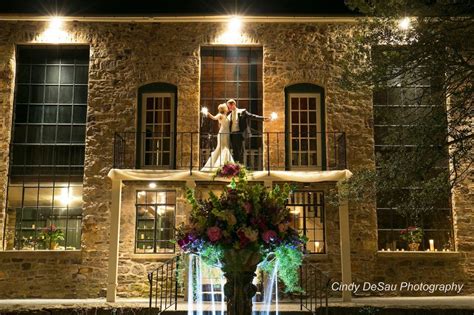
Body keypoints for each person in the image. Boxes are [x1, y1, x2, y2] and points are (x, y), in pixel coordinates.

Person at [226, 99, 269, 164]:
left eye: (229, 106)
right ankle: (235, 166)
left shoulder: (242, 111)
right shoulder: (230, 115)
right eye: (228, 106)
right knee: (235, 152)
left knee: (240, 151)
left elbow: (252, 116)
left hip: (239, 134)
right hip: (232, 135)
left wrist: (263, 119)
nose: (228, 108)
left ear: (233, 105)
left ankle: (241, 166)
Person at [201, 103, 234, 171]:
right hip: (222, 133)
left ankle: (225, 165)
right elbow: (214, 118)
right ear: (224, 109)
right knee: (223, 148)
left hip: (226, 133)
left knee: (223, 148)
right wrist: (207, 113)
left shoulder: (226, 115)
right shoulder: (220, 115)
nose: (227, 108)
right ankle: (220, 165)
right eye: (226, 107)